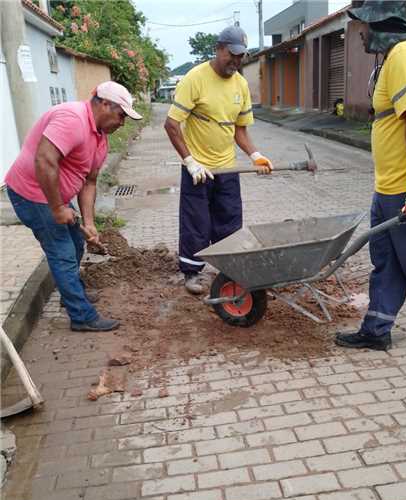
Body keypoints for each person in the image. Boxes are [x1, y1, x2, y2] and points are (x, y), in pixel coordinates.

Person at [336, 0, 406, 350]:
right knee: (387, 257)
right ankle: (377, 329)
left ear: (385, 22)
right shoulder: (396, 57)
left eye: (365, 25)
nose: (362, 34)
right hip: (392, 183)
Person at [5, 81, 142, 332]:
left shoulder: (100, 138)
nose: (122, 123)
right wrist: (57, 208)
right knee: (63, 252)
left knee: (77, 243)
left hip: (53, 194)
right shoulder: (72, 119)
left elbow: (88, 182)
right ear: (104, 104)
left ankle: (73, 294)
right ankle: (81, 316)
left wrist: (89, 223)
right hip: (32, 193)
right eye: (121, 115)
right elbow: (45, 160)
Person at [164, 25, 274, 295]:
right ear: (219, 49)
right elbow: (171, 124)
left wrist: (255, 155)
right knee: (196, 223)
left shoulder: (240, 85)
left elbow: (239, 129)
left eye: (241, 57)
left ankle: (228, 272)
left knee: (229, 222)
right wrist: (190, 161)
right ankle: (191, 273)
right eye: (232, 55)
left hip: (227, 168)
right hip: (198, 169)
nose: (236, 62)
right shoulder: (195, 78)